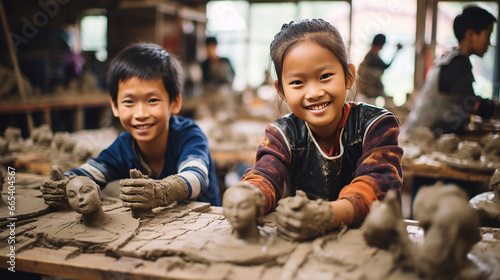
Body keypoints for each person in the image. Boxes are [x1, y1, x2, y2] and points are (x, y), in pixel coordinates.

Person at [239, 19, 403, 241]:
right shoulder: (282, 134)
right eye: (297, 82)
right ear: (281, 91)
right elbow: (266, 175)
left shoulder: (376, 125)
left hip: (371, 242)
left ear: (348, 76)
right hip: (310, 247)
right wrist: (249, 197)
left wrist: (330, 214)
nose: (314, 92)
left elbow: (379, 181)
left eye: (325, 77)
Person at [40, 43, 221, 211]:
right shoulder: (124, 146)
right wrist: (64, 183)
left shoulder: (189, 135)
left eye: (152, 100)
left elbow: (196, 177)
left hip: (204, 226)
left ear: (175, 102)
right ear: (115, 106)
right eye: (129, 102)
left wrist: (162, 191)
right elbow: (92, 171)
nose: (140, 113)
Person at [402, 6, 497, 138]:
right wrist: (494, 108)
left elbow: (466, 100)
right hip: (422, 141)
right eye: (487, 36)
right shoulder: (457, 63)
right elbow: (474, 105)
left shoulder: (452, 59)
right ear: (470, 35)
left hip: (420, 135)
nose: (489, 43)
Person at [358, 34, 402, 100]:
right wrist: (396, 51)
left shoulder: (371, 55)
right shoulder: (372, 57)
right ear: (381, 45)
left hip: (368, 90)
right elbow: (385, 66)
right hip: (370, 89)